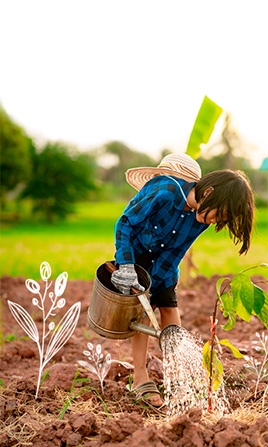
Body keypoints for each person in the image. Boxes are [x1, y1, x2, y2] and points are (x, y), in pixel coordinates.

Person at [111, 153, 254, 407]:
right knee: (142, 314)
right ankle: (140, 376)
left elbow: (176, 252)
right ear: (208, 192)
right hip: (136, 257)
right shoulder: (164, 192)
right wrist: (127, 267)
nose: (215, 221)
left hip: (165, 266)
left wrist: (157, 286)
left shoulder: (200, 220)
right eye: (219, 214)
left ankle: (177, 378)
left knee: (170, 314)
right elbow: (125, 224)